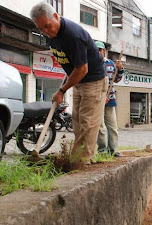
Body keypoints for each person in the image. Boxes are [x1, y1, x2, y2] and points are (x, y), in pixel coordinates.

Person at [30, 2, 107, 164]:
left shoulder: (73, 35)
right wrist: (64, 87)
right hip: (79, 80)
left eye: (47, 26)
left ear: (56, 17)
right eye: (40, 28)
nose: (45, 31)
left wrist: (62, 90)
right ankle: (80, 157)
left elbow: (82, 69)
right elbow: (71, 65)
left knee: (88, 122)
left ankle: (81, 163)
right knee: (77, 120)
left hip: (93, 80)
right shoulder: (51, 36)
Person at [95, 41, 124, 157]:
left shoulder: (111, 64)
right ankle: (102, 151)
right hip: (97, 101)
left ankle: (113, 150)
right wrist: (101, 97)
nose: (98, 52)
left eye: (100, 50)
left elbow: (116, 79)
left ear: (104, 51)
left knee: (113, 127)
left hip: (110, 101)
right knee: (100, 128)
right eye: (96, 50)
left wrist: (120, 69)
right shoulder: (92, 64)